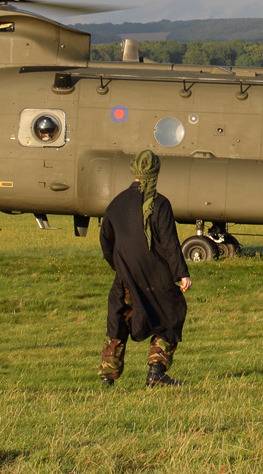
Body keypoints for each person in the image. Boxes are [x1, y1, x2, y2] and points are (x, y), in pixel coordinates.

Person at [98, 150, 192, 388]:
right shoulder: (159, 204)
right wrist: (181, 273)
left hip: (125, 276)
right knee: (171, 313)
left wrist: (120, 267)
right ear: (155, 173)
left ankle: (108, 376)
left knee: (118, 321)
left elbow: (106, 240)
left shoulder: (116, 204)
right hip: (156, 277)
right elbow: (170, 243)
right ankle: (156, 372)